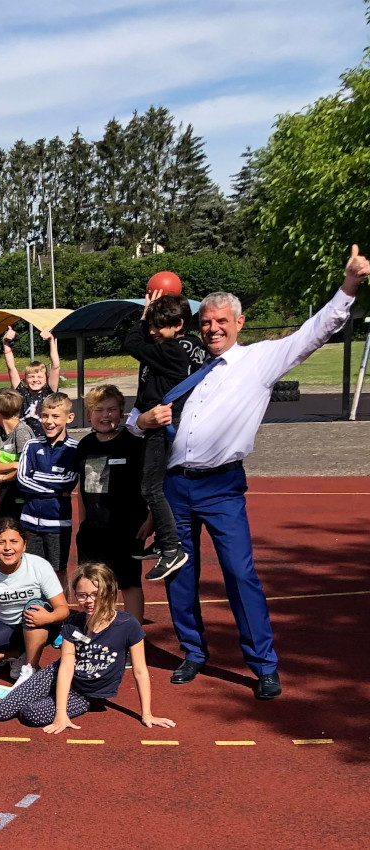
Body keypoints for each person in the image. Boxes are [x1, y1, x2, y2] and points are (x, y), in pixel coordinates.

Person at [134, 245, 370, 699]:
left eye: (222, 321)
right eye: (206, 321)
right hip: (174, 486)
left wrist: (350, 285)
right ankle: (193, 652)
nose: (213, 328)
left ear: (239, 324)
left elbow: (316, 331)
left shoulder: (260, 361)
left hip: (221, 486)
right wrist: (140, 421)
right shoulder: (189, 363)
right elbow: (147, 414)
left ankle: (263, 663)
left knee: (240, 575)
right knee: (180, 574)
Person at [0, 563, 175, 736]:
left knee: (31, 715)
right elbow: (67, 666)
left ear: (109, 593)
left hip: (85, 695)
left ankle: (14, 693)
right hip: (58, 676)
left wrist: (147, 714)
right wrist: (61, 713)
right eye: (82, 595)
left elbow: (141, 671)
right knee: (0, 712)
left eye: (95, 594)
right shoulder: (73, 623)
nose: (88, 601)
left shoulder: (128, 625)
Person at [123, 291, 208, 581]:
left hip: (164, 428)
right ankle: (163, 541)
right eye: (151, 325)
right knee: (161, 487)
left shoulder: (174, 349)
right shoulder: (192, 346)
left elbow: (131, 343)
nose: (152, 331)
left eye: (160, 325)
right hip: (170, 425)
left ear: (179, 324)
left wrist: (144, 314)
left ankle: (172, 548)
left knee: (150, 488)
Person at [0, 517, 69, 688]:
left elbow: (63, 609)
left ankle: (29, 669)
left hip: (40, 625)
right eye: (1, 542)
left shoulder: (39, 567)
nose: (8, 548)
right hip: (6, 627)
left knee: (33, 607)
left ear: (24, 545)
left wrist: (47, 618)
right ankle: (14, 654)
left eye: (14, 541)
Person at [75, 385, 149, 624]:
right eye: (99, 410)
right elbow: (84, 488)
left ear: (121, 413)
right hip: (94, 529)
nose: (105, 415)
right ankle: (98, 630)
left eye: (111, 409)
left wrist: (152, 519)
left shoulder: (134, 443)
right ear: (89, 414)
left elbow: (152, 486)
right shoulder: (85, 445)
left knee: (129, 583)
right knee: (94, 584)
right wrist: (83, 522)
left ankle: (134, 638)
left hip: (127, 528)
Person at [16, 392, 78, 584]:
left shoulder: (75, 449)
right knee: (31, 572)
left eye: (55, 416)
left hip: (58, 524)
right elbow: (22, 480)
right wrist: (55, 489)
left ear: (69, 418)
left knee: (57, 571)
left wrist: (37, 476)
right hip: (29, 521)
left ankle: (61, 613)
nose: (48, 421)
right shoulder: (32, 445)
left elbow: (68, 481)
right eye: (45, 416)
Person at [0, 388, 37, 521]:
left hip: (22, 492)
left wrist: (4, 478)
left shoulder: (22, 432)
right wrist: (14, 464)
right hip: (5, 492)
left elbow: (27, 468)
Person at [2, 326, 61, 433]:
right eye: (31, 376)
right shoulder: (21, 392)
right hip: (25, 439)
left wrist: (51, 340)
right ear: (24, 380)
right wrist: (5, 343)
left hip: (45, 438)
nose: (35, 380)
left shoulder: (49, 392)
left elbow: (55, 367)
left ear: (46, 379)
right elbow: (11, 368)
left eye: (39, 377)